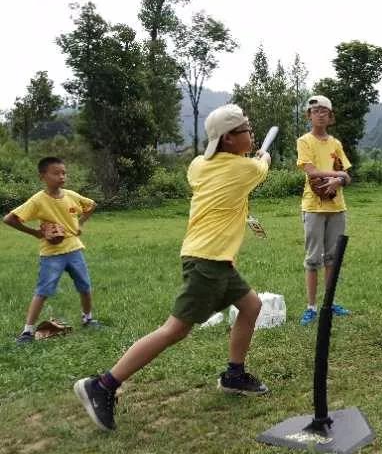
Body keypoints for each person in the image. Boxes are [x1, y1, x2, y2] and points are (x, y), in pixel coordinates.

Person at [74, 104, 271, 431]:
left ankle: (234, 374)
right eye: (245, 130)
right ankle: (103, 385)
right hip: (207, 260)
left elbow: (224, 165)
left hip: (212, 257)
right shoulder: (245, 170)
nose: (251, 133)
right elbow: (261, 166)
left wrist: (251, 156)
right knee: (175, 330)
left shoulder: (198, 166)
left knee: (251, 305)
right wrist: (262, 156)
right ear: (227, 140)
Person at [3, 157, 99, 344]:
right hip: (51, 254)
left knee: (85, 287)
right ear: (43, 176)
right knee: (43, 291)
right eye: (56, 173)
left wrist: (79, 223)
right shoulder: (38, 200)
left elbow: (91, 205)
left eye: (64, 173)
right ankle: (27, 332)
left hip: (74, 249)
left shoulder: (71, 195)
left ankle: (88, 319)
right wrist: (36, 233)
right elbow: (9, 219)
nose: (61, 176)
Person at [296, 94, 352, 326]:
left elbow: (348, 175)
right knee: (313, 258)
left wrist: (340, 180)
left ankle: (330, 302)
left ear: (330, 117)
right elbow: (310, 171)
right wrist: (338, 175)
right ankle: (311, 307)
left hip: (337, 207)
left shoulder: (335, 144)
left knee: (332, 257)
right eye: (315, 110)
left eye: (324, 111)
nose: (319, 114)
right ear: (309, 116)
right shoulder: (304, 141)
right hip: (313, 207)